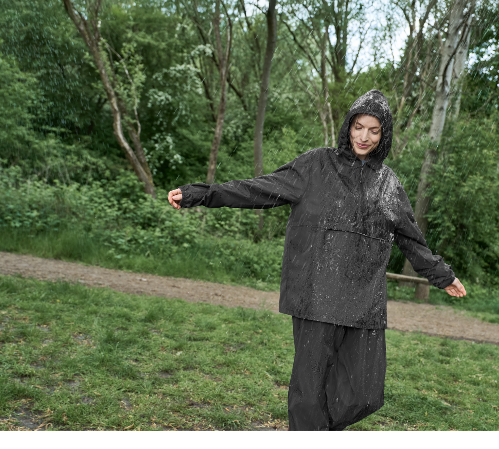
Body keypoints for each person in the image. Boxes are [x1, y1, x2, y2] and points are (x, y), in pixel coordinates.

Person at [167, 89, 466, 431]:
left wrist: (442, 275)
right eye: (358, 127)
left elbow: (411, 238)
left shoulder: (388, 185)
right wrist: (201, 194)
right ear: (348, 127)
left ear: (385, 135)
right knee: (309, 390)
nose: (364, 137)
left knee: (365, 393)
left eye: (374, 130)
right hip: (315, 293)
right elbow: (257, 189)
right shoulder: (315, 165)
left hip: (363, 300)